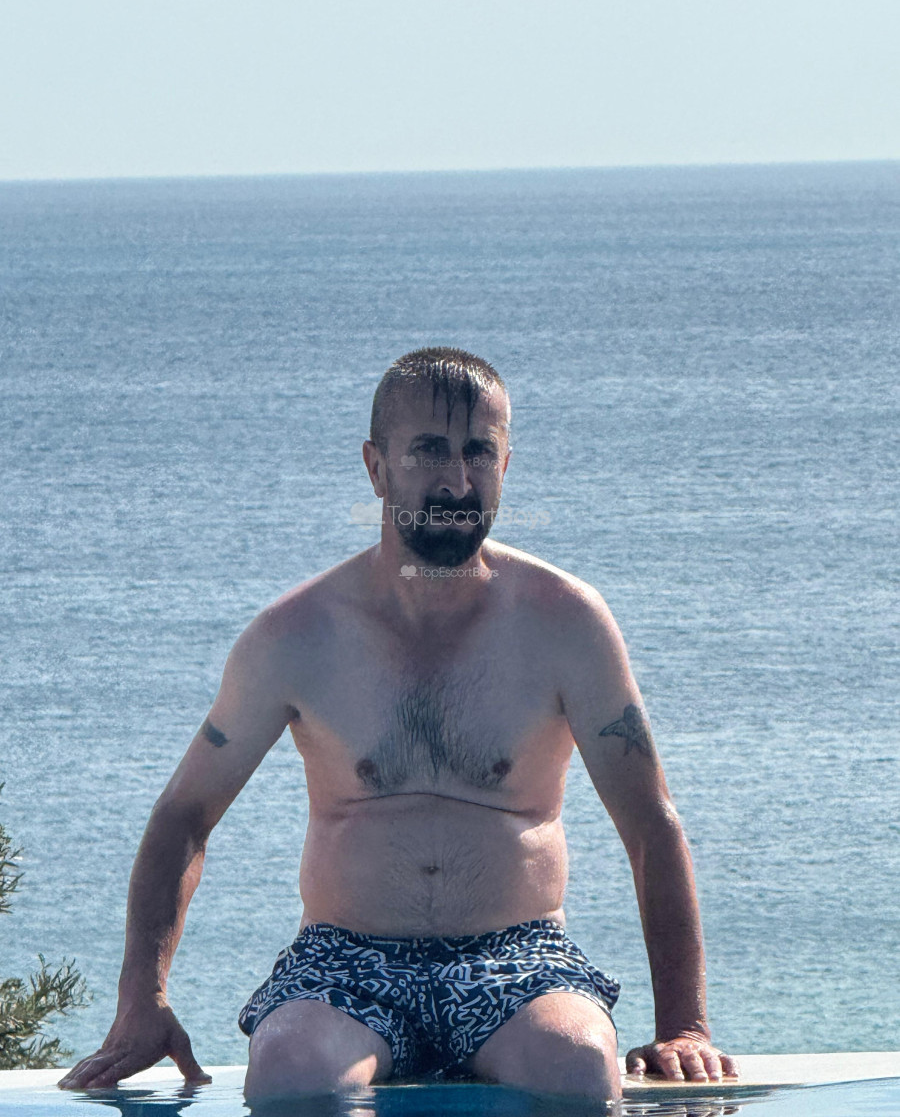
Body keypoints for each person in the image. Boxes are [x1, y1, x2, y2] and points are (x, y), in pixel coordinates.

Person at [60, 346, 737, 1103]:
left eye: (479, 452)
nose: (456, 481)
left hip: (518, 956)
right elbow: (184, 815)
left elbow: (651, 822)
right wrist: (142, 1002)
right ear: (376, 467)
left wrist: (685, 1025)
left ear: (506, 465)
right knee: (291, 1073)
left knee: (578, 1065)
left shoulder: (565, 622)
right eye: (428, 451)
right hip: (344, 959)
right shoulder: (297, 634)